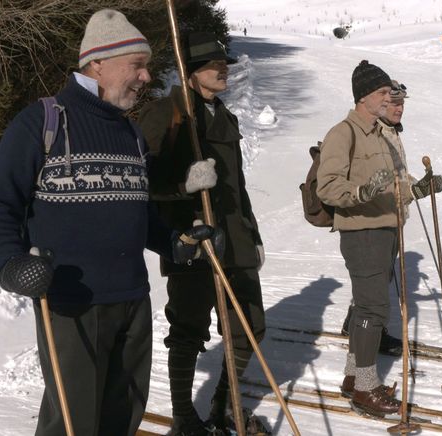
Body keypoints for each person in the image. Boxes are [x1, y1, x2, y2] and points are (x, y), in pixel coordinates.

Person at [0, 9, 218, 436]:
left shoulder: (130, 133)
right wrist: (9, 263)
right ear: (98, 64)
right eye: (137, 66)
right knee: (72, 422)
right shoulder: (43, 122)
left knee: (124, 415)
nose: (146, 77)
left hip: (132, 298)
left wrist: (174, 242)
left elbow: (137, 212)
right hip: (70, 304)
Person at [138, 32, 267, 435]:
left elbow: (238, 185)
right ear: (191, 72)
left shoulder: (223, 114)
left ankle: (222, 406)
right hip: (192, 239)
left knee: (250, 326)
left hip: (236, 239)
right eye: (214, 64)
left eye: (224, 62)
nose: (223, 68)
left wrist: (253, 232)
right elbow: (141, 181)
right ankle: (184, 417)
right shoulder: (167, 114)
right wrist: (184, 187)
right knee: (189, 329)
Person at [317, 62, 442, 417]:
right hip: (362, 231)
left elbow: (390, 188)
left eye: (390, 93)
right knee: (373, 308)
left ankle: (354, 377)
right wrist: (361, 192)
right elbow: (327, 186)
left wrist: (416, 190)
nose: (389, 98)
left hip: (385, 226)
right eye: (382, 93)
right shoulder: (344, 133)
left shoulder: (378, 135)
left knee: (364, 306)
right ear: (364, 96)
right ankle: (366, 389)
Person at [339, 80, 436, 358]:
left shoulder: (390, 132)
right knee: (375, 282)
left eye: (402, 103)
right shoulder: (373, 132)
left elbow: (396, 177)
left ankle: (360, 325)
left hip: (392, 217)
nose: (399, 108)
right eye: (393, 102)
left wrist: (418, 187)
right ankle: (366, 346)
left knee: (378, 280)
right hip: (371, 220)